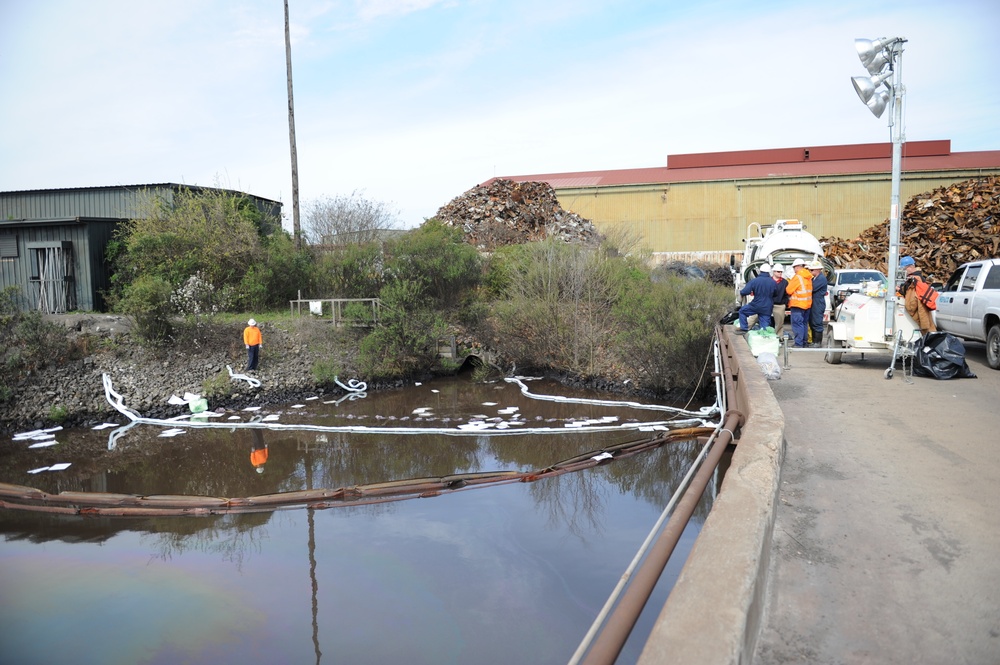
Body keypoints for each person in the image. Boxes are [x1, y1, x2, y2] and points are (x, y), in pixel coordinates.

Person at [735, 264, 779, 334]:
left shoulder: (755, 281)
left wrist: (741, 293)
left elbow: (745, 291)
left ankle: (744, 329)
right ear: (769, 272)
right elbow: (776, 294)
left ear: (760, 271)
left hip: (755, 305)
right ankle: (764, 336)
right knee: (765, 327)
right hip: (767, 307)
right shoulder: (773, 282)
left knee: (742, 311)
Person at [899, 256, 937, 335]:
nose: (904, 271)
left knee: (925, 333)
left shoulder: (914, 280)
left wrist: (899, 290)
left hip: (919, 311)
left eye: (904, 269)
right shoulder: (919, 277)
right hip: (923, 311)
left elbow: (911, 299)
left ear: (909, 267)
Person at [786, 258, 813, 348]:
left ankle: (798, 343)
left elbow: (788, 290)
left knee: (797, 324)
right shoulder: (808, 277)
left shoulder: (797, 277)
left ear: (797, 267)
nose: (794, 270)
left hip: (797, 304)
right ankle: (804, 342)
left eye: (794, 267)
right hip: (807, 304)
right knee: (804, 324)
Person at [808, 261, 828, 347]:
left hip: (818, 302)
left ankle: (818, 342)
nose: (810, 272)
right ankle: (814, 341)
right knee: (812, 322)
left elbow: (812, 288)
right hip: (814, 301)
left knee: (817, 322)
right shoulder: (814, 278)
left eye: (812, 270)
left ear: (818, 270)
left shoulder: (821, 279)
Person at [770, 263, 789, 337]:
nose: (780, 273)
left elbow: (787, 294)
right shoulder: (769, 281)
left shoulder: (785, 282)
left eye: (781, 272)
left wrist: (784, 303)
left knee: (779, 324)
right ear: (774, 272)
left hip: (780, 305)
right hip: (769, 304)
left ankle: (779, 337)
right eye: (778, 271)